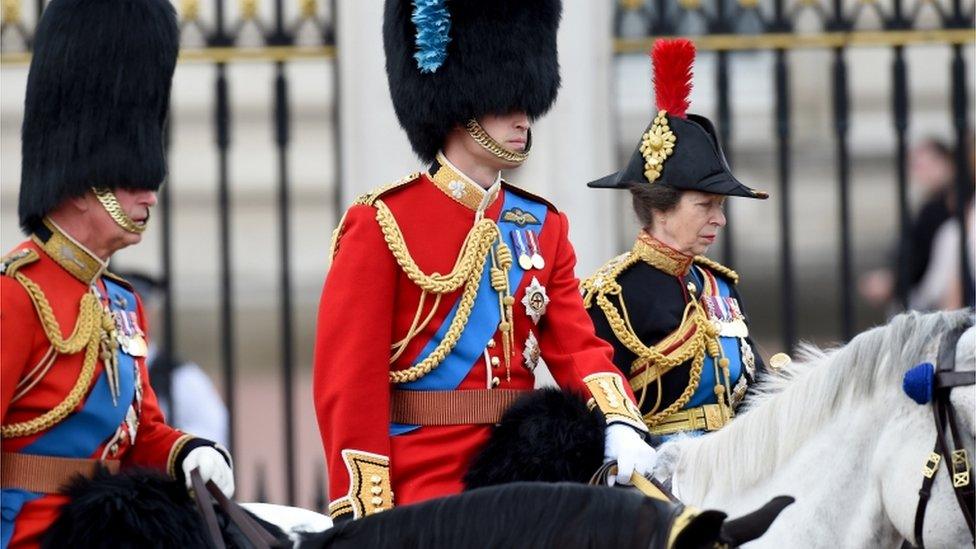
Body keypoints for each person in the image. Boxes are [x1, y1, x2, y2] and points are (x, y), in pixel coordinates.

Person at [314, 0, 654, 522]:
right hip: (424, 481)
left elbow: (575, 345)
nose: (524, 119)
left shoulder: (543, 225)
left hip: (525, 471)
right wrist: (367, 508)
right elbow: (349, 384)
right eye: (506, 102)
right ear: (461, 106)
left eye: (527, 101)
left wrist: (618, 419)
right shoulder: (382, 223)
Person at [0, 1, 233, 547]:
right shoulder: (15, 295)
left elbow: (141, 433)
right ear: (83, 184)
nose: (150, 194)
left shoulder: (120, 303)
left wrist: (187, 451)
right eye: (132, 180)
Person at [582, 39, 771, 444]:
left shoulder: (719, 285)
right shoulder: (614, 293)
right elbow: (593, 401)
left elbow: (753, 388)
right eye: (705, 205)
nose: (719, 218)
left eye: (721, 206)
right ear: (661, 207)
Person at [119, 271, 230, 447]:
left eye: (141, 307)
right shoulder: (101, 367)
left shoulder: (181, 376)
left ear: (155, 314)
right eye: (124, 309)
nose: (133, 316)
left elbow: (212, 432)